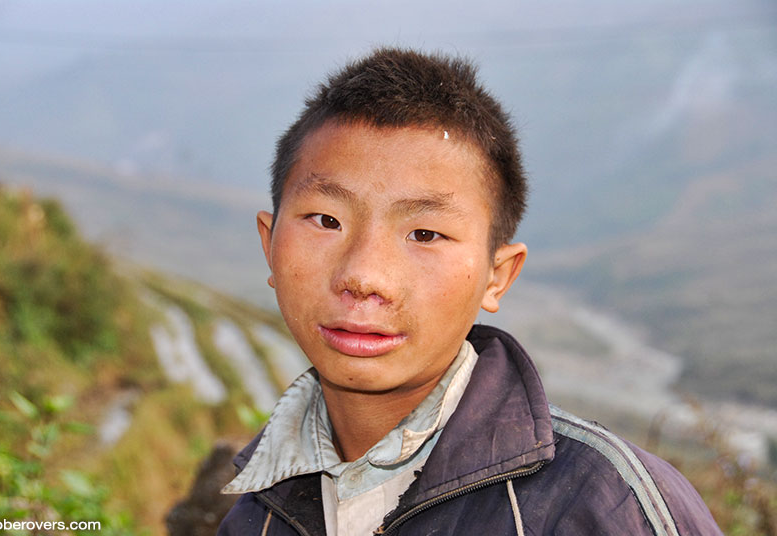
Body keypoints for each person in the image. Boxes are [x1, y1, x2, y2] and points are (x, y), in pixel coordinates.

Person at [217, 47, 722, 535]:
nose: (365, 277)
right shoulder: (255, 515)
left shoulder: (603, 504)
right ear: (269, 245)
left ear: (497, 275)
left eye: (425, 234)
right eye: (326, 220)